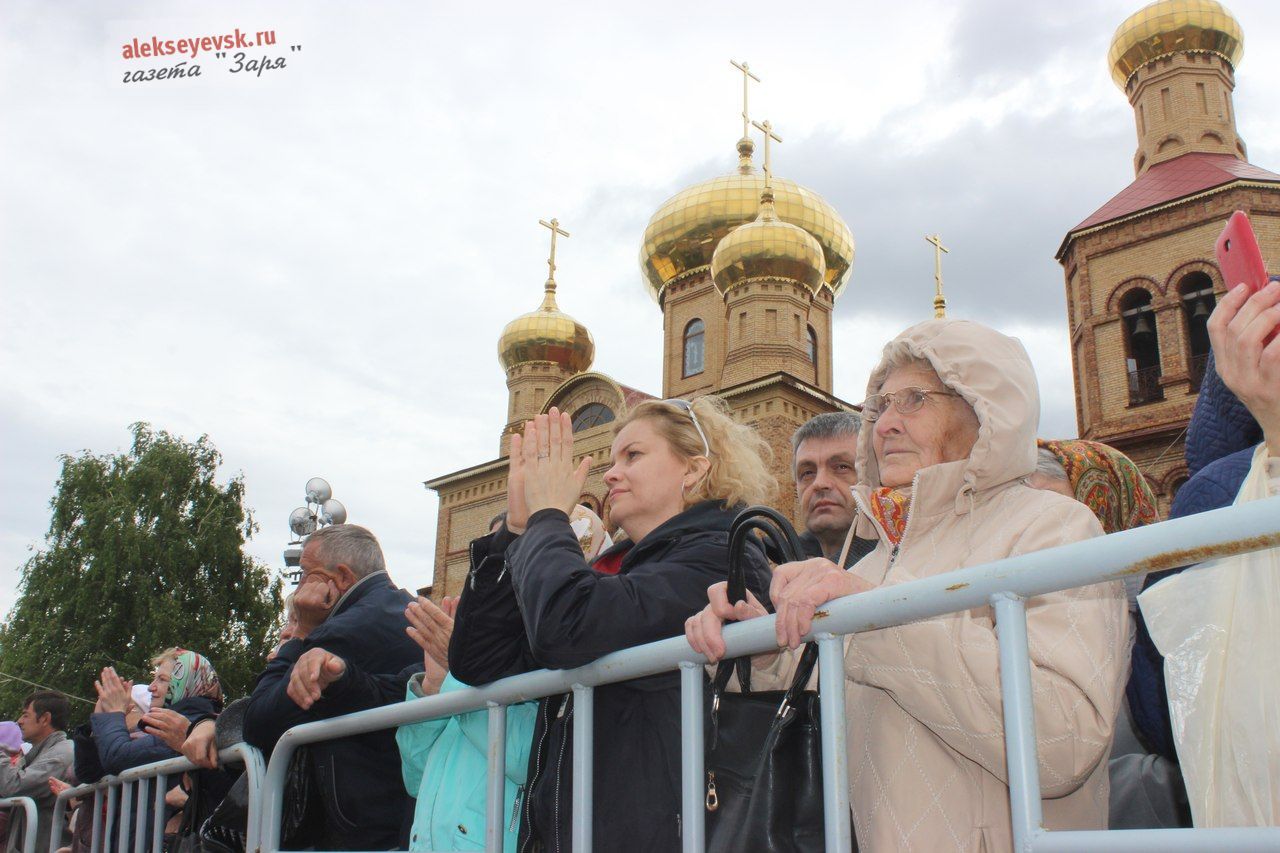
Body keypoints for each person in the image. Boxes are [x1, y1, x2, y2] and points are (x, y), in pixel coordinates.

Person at [687, 319, 1130, 851]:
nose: (884, 425)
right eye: (881, 404)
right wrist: (754, 644)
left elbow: (1064, 742)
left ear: (983, 410)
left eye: (914, 400)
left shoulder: (1054, 527)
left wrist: (874, 616)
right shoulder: (879, 560)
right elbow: (827, 689)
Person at [449, 398, 775, 851]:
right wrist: (517, 531)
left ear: (694, 469)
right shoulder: (615, 570)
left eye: (633, 456)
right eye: (612, 459)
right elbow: (481, 660)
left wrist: (549, 518)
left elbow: (567, 627)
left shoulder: (721, 558)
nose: (610, 474)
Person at [241, 523, 420, 850]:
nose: (299, 587)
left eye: (307, 573)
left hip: (359, 827)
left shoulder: (341, 632)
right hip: (405, 817)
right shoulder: (413, 610)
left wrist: (301, 633)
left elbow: (259, 722)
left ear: (340, 578)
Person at [395, 592, 538, 851]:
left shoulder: (538, 671)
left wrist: (459, 677)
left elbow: (528, 759)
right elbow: (415, 779)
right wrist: (434, 688)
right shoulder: (455, 685)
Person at [792, 411, 878, 565]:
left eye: (841, 467)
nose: (819, 483)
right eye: (807, 473)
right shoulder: (787, 575)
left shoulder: (908, 572)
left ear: (877, 477)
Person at [0, 691, 73, 853]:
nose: (19, 721)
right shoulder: (39, 753)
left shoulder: (63, 753)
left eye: (26, 715)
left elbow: (14, 786)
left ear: (45, 718)